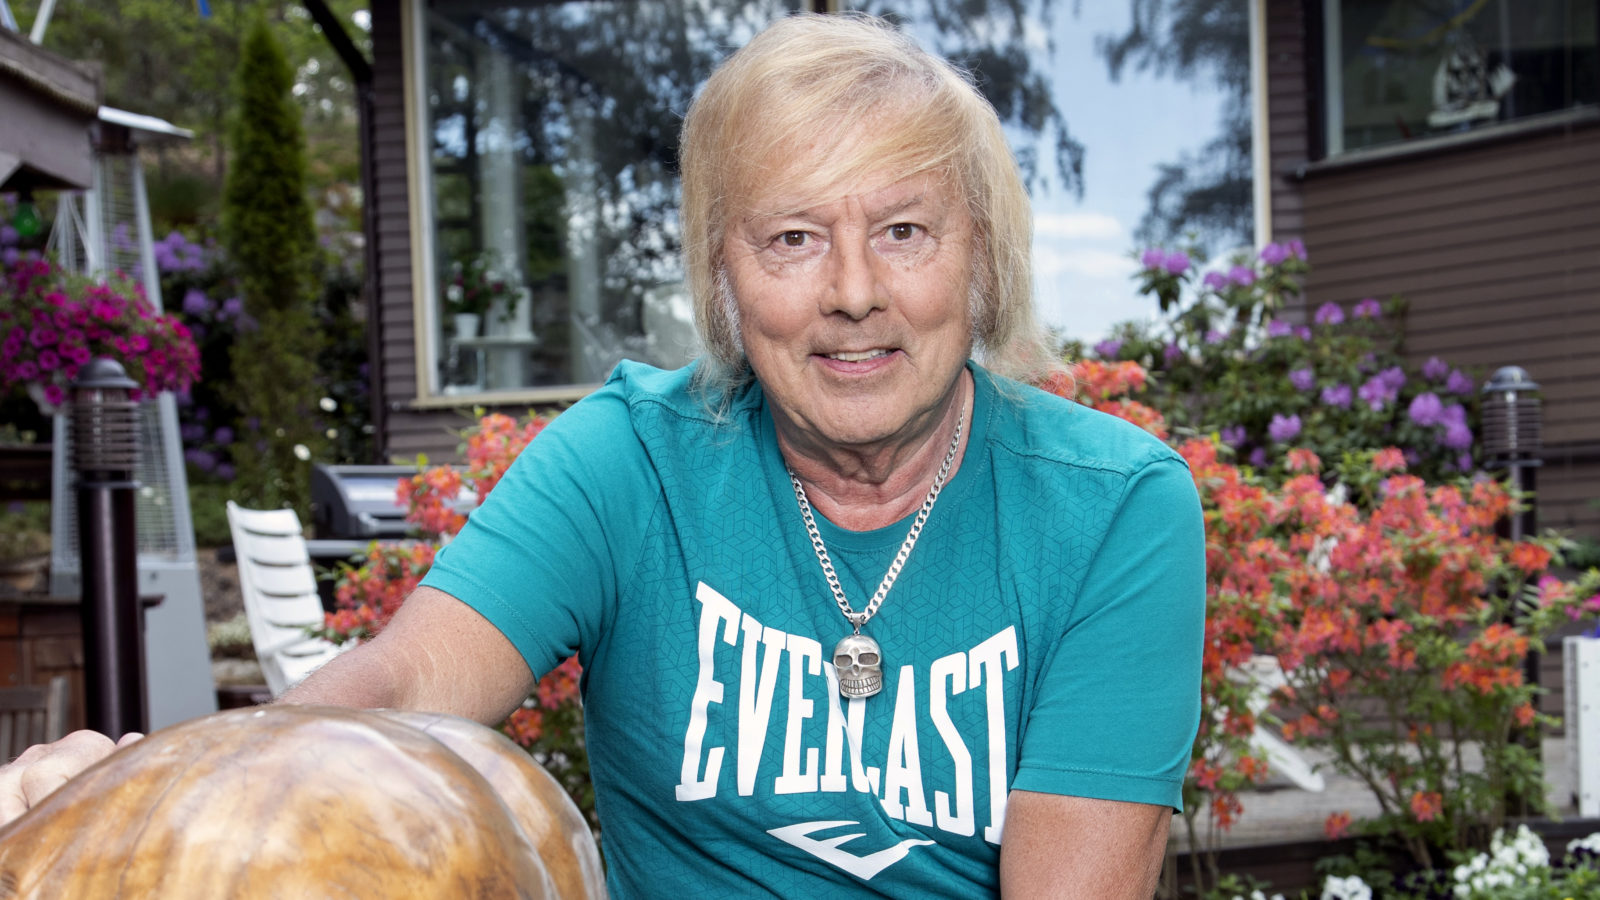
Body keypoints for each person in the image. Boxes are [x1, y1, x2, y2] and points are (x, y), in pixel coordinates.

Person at [0, 13, 1204, 898]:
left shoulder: (1111, 510)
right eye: (791, 238)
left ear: (980, 259)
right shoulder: (628, 461)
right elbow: (402, 692)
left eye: (902, 230)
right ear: (722, 279)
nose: (851, 292)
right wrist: (149, 785)